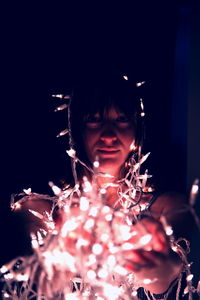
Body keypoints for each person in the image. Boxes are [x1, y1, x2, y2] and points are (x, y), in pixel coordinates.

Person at [0, 78, 193, 299]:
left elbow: (165, 276)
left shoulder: (168, 208)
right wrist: (61, 258)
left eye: (121, 120)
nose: (109, 136)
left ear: (136, 132)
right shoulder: (37, 207)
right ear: (76, 129)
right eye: (94, 120)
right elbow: (36, 282)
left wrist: (157, 269)